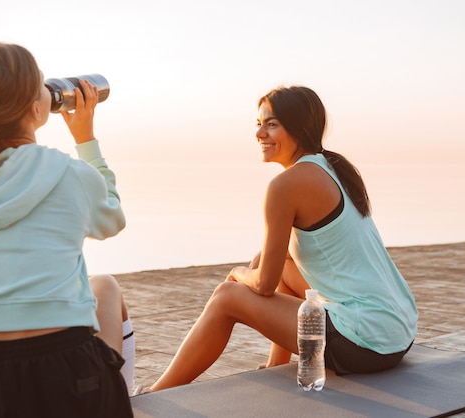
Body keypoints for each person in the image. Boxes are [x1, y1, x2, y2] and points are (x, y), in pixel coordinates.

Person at [148, 85, 418, 391]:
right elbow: (271, 270)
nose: (260, 133)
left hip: (364, 343)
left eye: (271, 124)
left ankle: (157, 392)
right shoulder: (335, 167)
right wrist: (252, 269)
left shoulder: (287, 185)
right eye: (258, 124)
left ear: (300, 127)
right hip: (396, 332)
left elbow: (263, 285)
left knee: (226, 296)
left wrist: (237, 274)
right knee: (266, 260)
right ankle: (277, 364)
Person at [0, 42, 133, 417]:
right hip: (66, 371)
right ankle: (122, 396)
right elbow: (112, 219)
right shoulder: (71, 174)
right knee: (105, 287)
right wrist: (87, 140)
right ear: (36, 109)